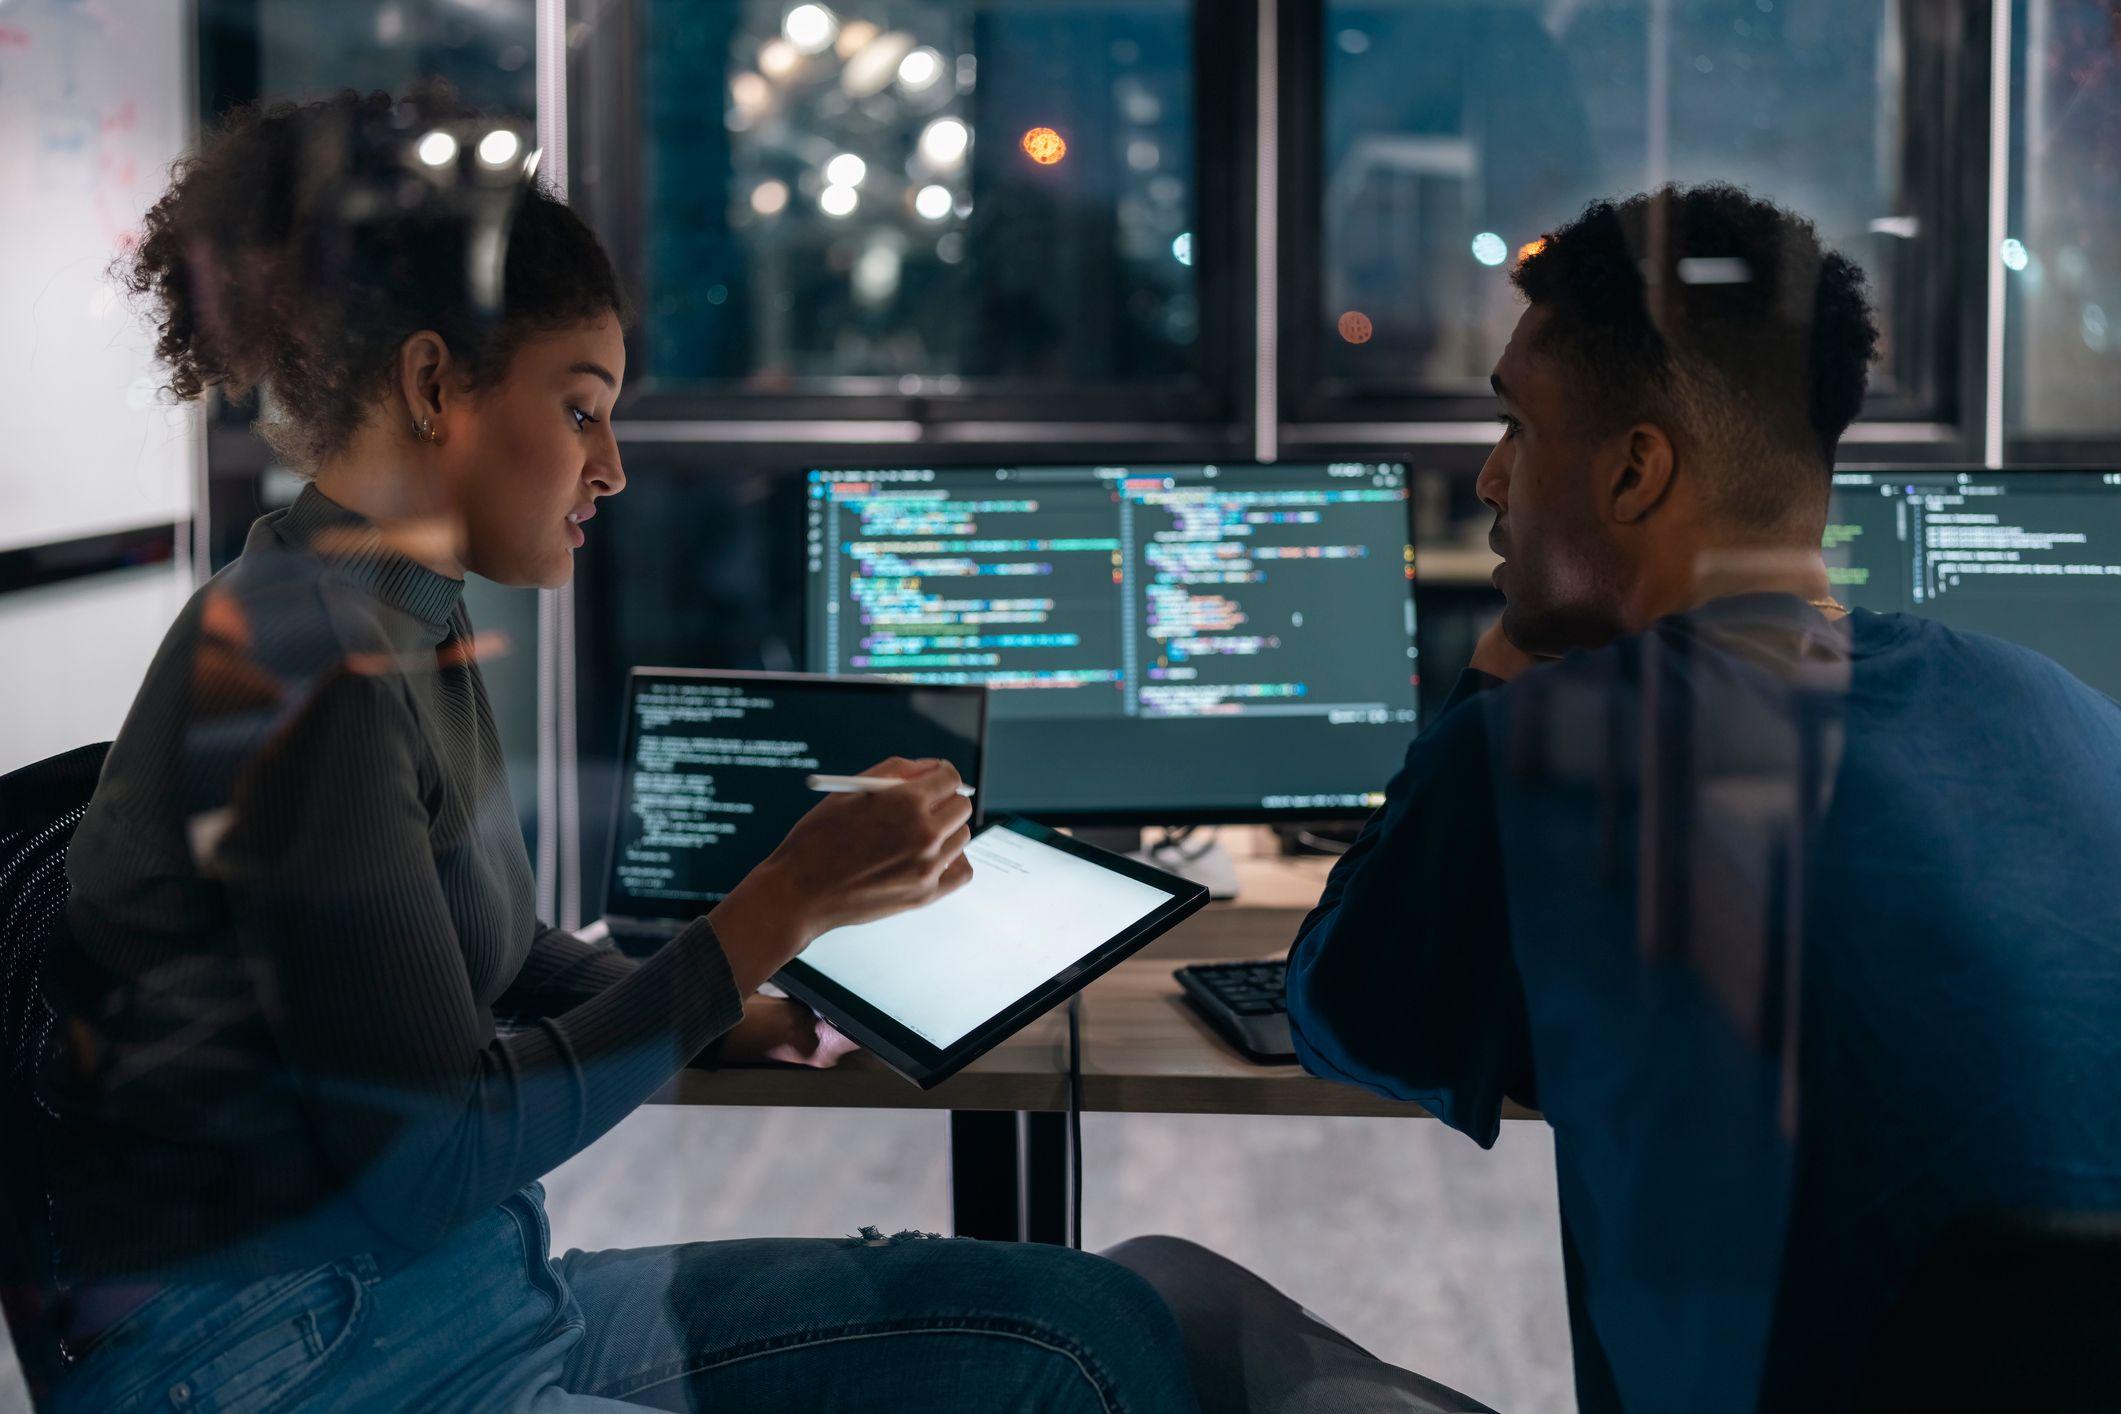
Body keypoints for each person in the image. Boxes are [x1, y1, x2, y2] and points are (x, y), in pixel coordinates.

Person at [36, 89, 1197, 1413]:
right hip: (294, 1368)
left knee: (1090, 1326)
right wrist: (772, 913)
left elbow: (480, 945)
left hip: (463, 1303)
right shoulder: (307, 663)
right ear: (432, 387)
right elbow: (433, 1149)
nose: (615, 468)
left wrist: (725, 999)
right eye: (583, 409)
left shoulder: (381, 611)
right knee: (1073, 1362)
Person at [1283, 185, 2121, 1412]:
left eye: (1517, 427)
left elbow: (1338, 1011)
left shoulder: (1534, 757)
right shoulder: (2074, 718)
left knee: (1168, 1293)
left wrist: (1503, 662)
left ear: (1634, 470)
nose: (1490, 480)